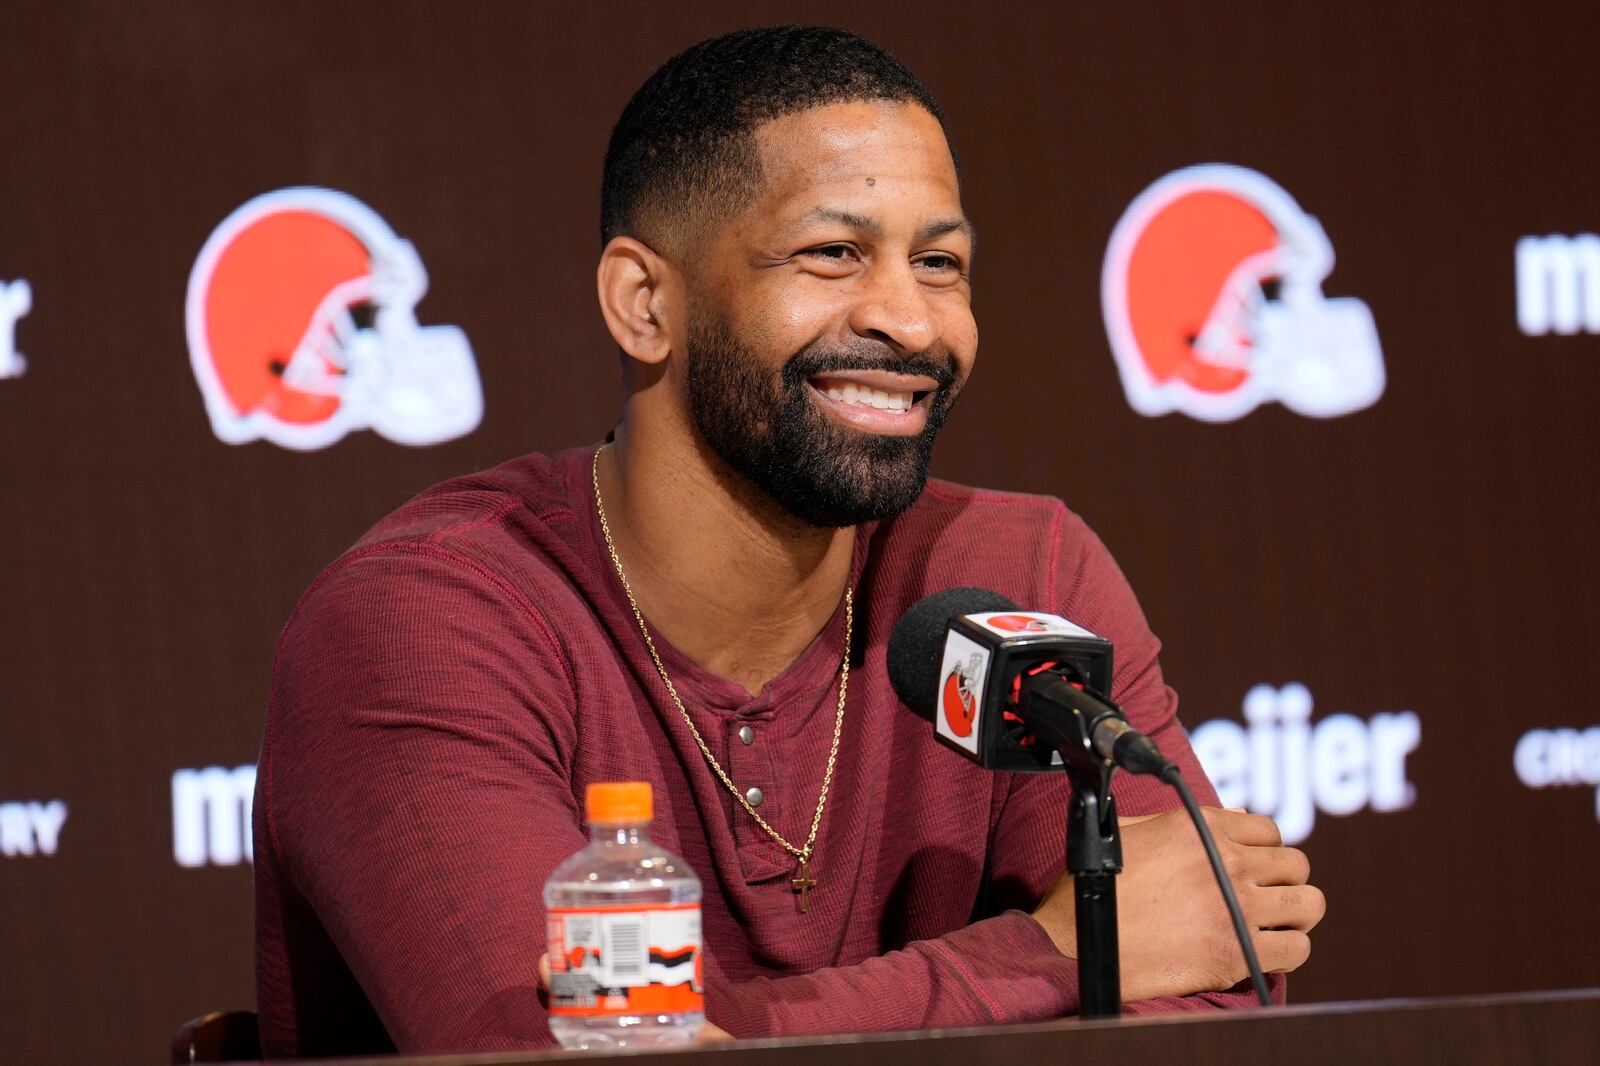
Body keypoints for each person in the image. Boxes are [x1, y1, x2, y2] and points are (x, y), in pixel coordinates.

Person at [252, 26, 1325, 1057]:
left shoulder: (1015, 569)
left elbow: (1212, 980)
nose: (911, 321)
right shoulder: (424, 622)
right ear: (642, 303)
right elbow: (551, 1052)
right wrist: (1051, 953)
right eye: (832, 253)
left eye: (941, 264)